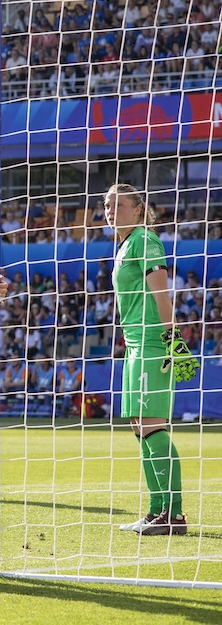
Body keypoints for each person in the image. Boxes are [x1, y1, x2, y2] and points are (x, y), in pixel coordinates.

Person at [105, 184, 198, 536]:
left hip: (151, 343)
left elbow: (162, 294)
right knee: (140, 427)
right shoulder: (125, 244)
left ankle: (172, 514)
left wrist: (172, 339)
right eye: (107, 205)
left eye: (119, 205)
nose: (111, 211)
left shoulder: (146, 240)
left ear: (139, 209)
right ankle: (158, 510)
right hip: (133, 344)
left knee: (151, 425)